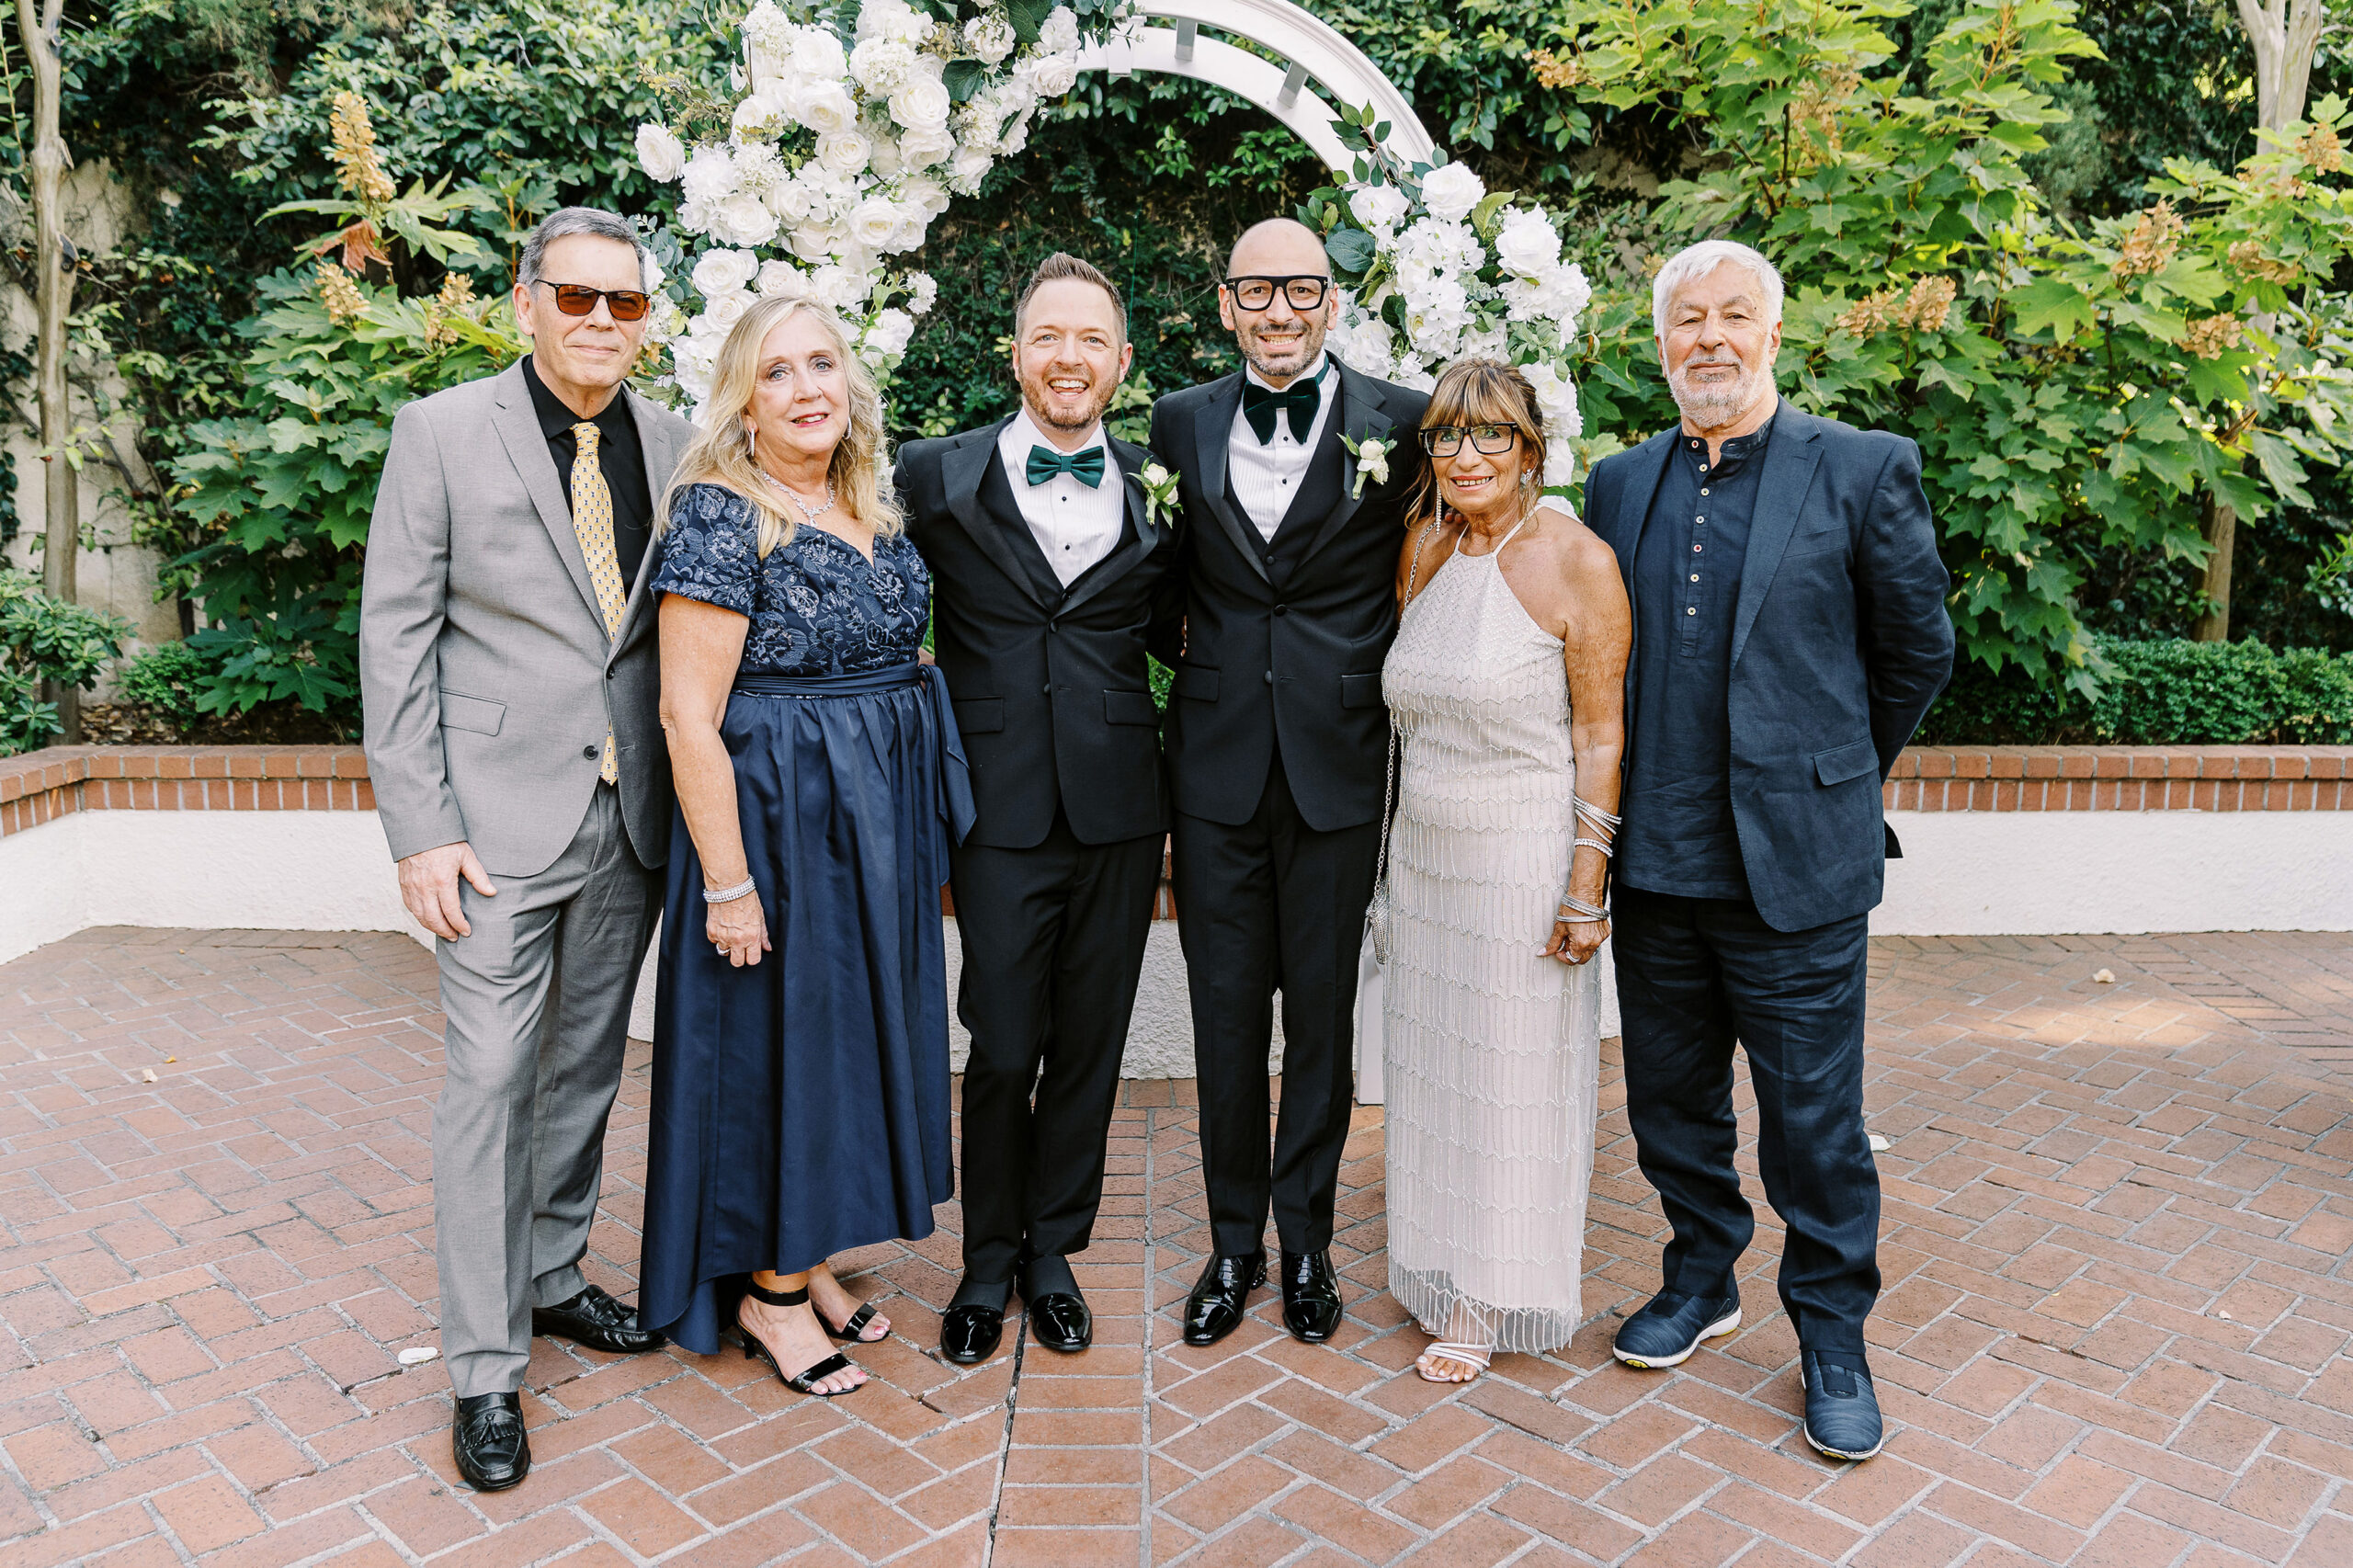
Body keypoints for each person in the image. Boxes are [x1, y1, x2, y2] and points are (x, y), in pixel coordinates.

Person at [1584, 240, 1953, 1460]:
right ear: (1660, 342)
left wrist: (1831, 775)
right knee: (1670, 1108)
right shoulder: (1616, 485)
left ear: (1774, 333)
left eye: (1734, 316)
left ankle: (1833, 1335)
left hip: (1795, 870)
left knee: (1814, 1125)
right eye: (1688, 320)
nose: (1711, 338)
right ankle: (1703, 1275)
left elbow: (1915, 653)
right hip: (1658, 871)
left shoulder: (1861, 469)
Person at [361, 207, 692, 1491]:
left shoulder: (672, 444)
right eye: (576, 298)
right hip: (490, 829)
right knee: (491, 1079)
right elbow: (395, 640)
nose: (600, 322)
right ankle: (485, 1368)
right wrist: (422, 827)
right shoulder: (441, 432)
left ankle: (552, 1275)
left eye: (624, 303)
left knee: (586, 1067)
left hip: (631, 815)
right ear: (526, 301)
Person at [637, 295, 972, 1398]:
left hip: (868, 826)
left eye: (821, 362)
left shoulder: (863, 499)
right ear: (742, 397)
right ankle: (770, 1299)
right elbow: (688, 715)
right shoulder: (718, 514)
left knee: (848, 1047)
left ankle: (811, 1257)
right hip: (778, 829)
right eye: (775, 372)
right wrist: (728, 885)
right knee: (788, 1051)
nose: (805, 388)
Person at [1147, 218, 1429, 1347]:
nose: (1278, 309)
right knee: (1225, 1014)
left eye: (1300, 288)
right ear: (1225, 303)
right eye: (1256, 289)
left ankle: (1305, 1240)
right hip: (1212, 764)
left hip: (1338, 762)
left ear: (1329, 299)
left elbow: (1431, 565)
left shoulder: (1400, 423)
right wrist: (1217, 673)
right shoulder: (1177, 419)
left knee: (1318, 1014)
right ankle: (1233, 1243)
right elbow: (1160, 581)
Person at [894, 254, 1180, 1366]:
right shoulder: (933, 474)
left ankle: (1054, 1254)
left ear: (1119, 361)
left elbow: (1182, 624)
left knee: (1089, 1048)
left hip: (1117, 806)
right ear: (1016, 354)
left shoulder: (1165, 486)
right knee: (1004, 1046)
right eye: (1048, 337)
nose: (1069, 358)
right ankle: (983, 1262)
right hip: (997, 808)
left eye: (1091, 340)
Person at [1379, 359, 1630, 1385]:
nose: (1464, 458)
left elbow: (1603, 734)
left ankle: (1488, 1292)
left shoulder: (1577, 559)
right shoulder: (1428, 542)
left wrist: (1586, 884)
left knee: (1508, 1078)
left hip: (1522, 860)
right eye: (1446, 437)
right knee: (1436, 1072)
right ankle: (1438, 1257)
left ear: (1530, 448)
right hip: (1425, 864)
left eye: (1489, 438)